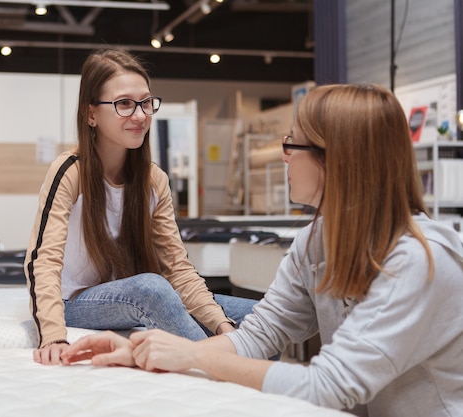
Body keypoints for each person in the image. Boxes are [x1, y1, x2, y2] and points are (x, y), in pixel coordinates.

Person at [61, 83, 463, 417]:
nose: (284, 156)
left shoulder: (419, 261)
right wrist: (143, 351)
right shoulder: (315, 240)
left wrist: (191, 355)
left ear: (334, 159)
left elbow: (329, 386)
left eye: (291, 144)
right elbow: (259, 335)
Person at [24, 48, 257, 366]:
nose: (139, 115)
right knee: (151, 287)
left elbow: (178, 267)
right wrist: (52, 334)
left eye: (146, 102)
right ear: (91, 114)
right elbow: (42, 261)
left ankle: (245, 371)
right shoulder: (70, 171)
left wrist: (222, 326)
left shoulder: (153, 179)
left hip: (127, 292)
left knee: (258, 317)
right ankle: (225, 370)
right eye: (123, 104)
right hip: (76, 301)